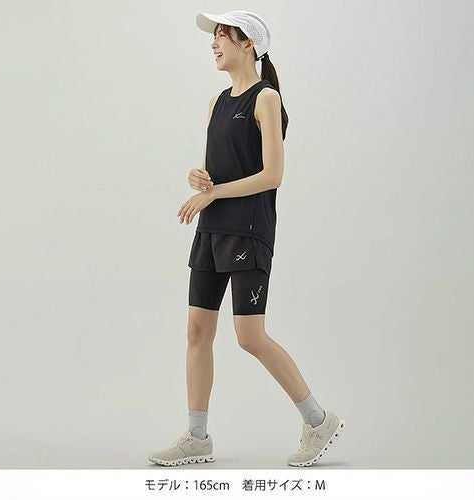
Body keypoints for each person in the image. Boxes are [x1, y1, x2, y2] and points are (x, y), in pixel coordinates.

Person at [148, 10, 345, 467]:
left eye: (223, 35)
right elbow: (212, 171)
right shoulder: (216, 102)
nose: (214, 43)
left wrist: (214, 192)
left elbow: (273, 175)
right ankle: (197, 437)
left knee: (249, 336)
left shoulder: (266, 98)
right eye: (214, 36)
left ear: (248, 44)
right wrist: (199, 179)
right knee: (197, 331)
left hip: (249, 230)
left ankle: (318, 421)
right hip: (212, 227)